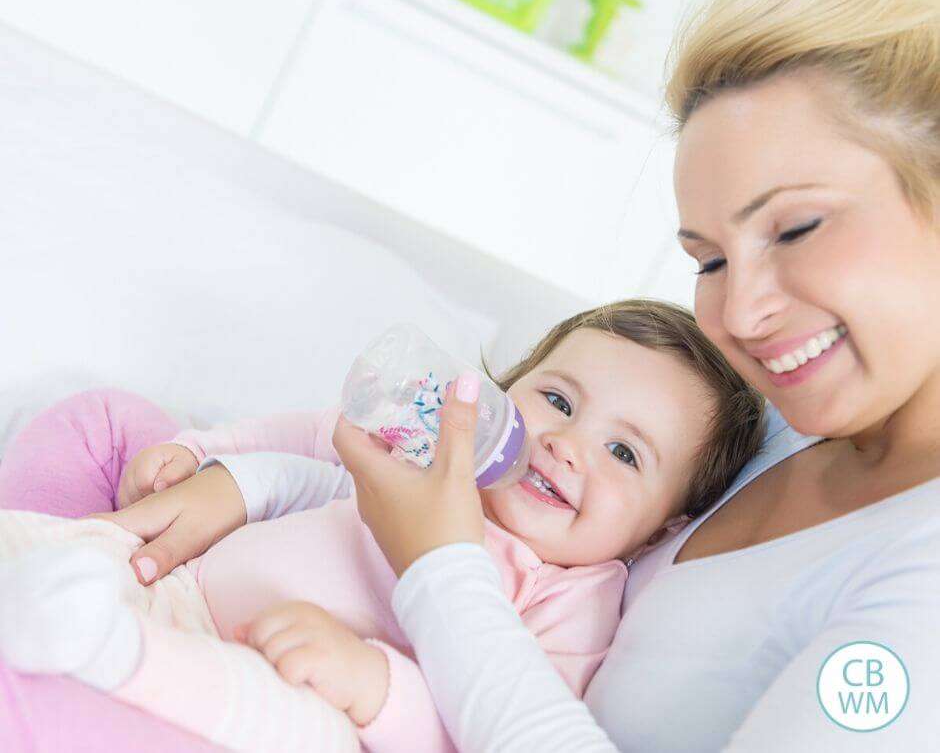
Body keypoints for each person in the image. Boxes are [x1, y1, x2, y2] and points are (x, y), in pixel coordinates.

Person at [332, 0, 940, 750]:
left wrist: (441, 570)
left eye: (796, 230)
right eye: (710, 261)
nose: (744, 314)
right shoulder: (783, 421)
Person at [0, 300, 764, 752]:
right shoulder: (444, 448)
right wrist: (203, 457)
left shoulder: (575, 597)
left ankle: (85, 643)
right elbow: (317, 433)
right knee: (108, 420)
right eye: (558, 401)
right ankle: (51, 553)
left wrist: (373, 681)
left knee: (67, 699)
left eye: (624, 452)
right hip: (174, 577)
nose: (568, 445)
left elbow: (476, 729)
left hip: (269, 703)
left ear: (665, 528)